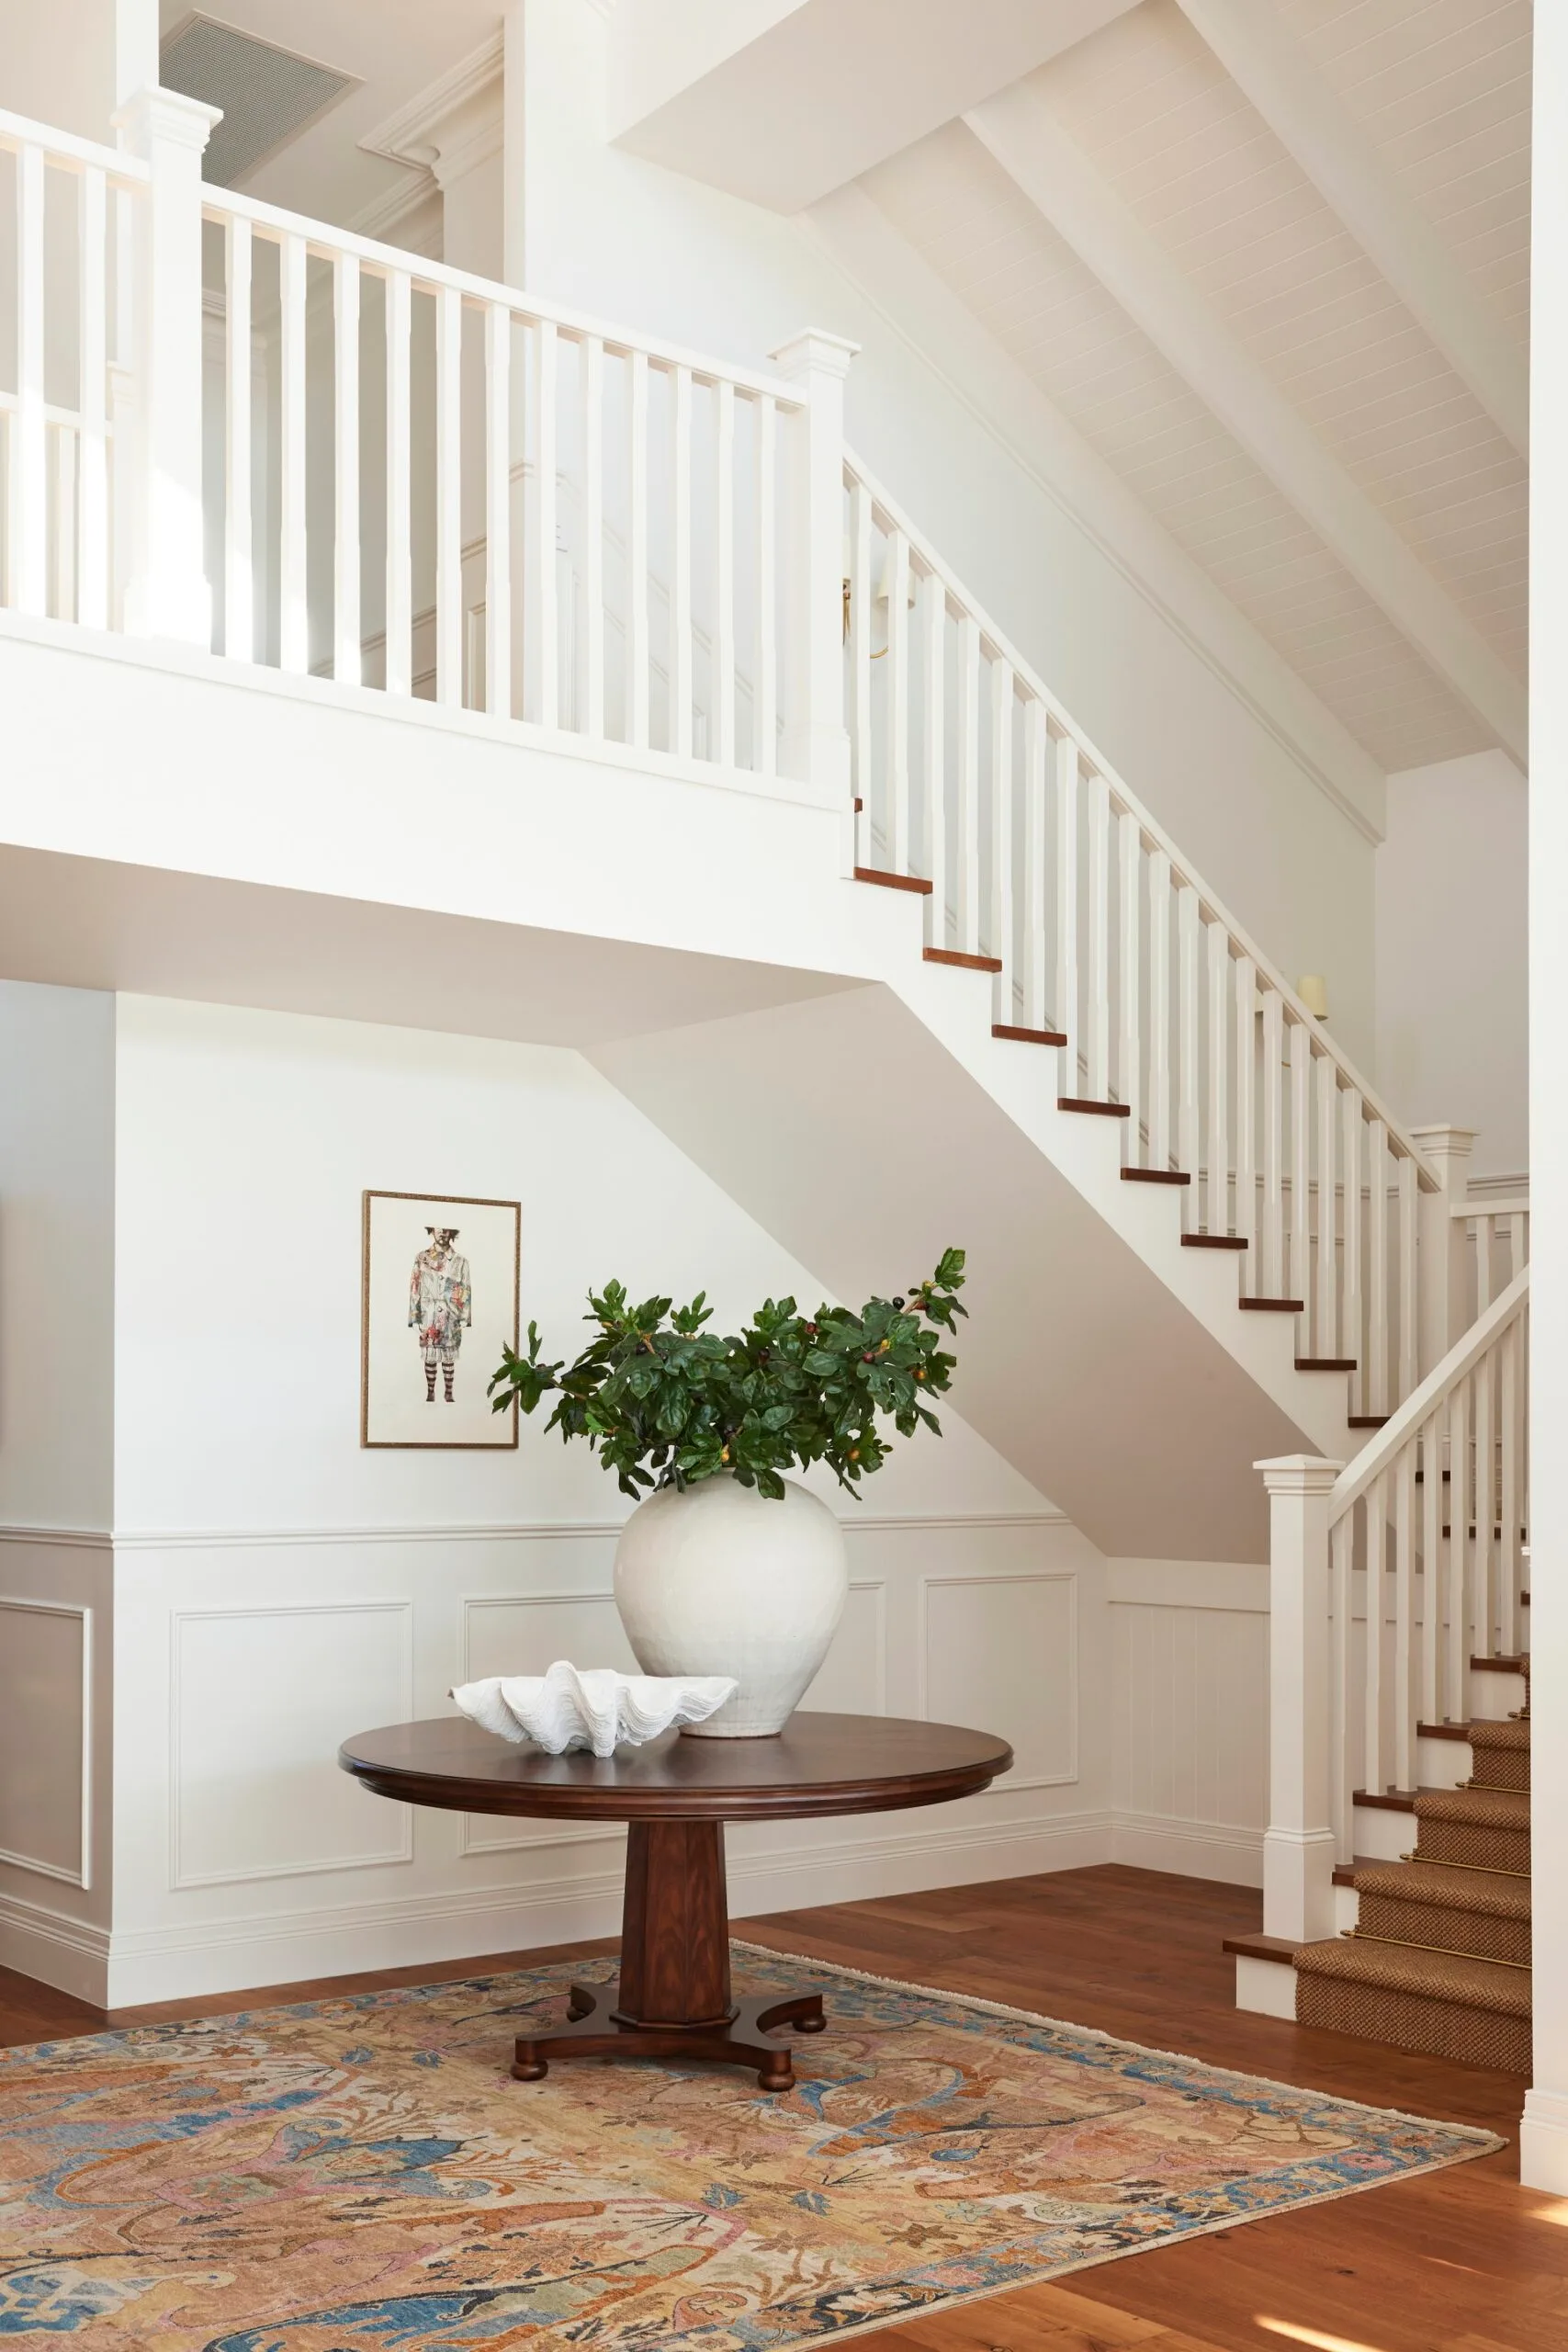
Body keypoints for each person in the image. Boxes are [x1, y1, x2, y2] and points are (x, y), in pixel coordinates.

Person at [409, 1227, 472, 1403]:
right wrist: (414, 1317)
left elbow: (465, 1290)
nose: (442, 1233)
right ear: (432, 1231)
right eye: (438, 1229)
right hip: (428, 1315)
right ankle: (430, 1392)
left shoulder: (460, 1261)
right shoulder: (421, 1258)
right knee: (430, 1355)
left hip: (451, 1315)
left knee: (448, 1357)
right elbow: (415, 1287)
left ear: (451, 1233)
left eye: (446, 1229)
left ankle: (448, 1392)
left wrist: (465, 1317)